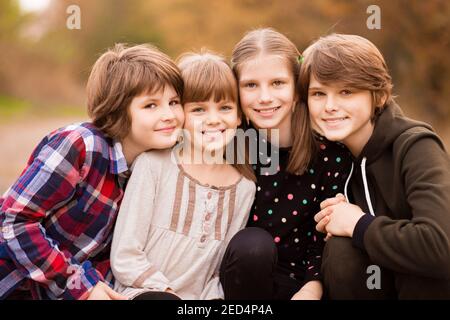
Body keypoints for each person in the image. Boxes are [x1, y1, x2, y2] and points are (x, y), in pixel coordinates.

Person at [0, 43, 184, 300]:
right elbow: (13, 220)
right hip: (16, 285)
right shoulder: (81, 145)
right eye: (150, 105)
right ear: (118, 110)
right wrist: (81, 285)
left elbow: (111, 252)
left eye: (174, 102)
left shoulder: (154, 167)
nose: (169, 115)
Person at [301, 33, 450, 299]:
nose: (330, 106)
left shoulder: (416, 147)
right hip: (377, 286)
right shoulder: (332, 156)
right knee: (339, 251)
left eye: (346, 91)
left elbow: (440, 247)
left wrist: (358, 224)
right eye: (318, 94)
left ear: (379, 96)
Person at [110, 51, 256, 300]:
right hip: (143, 292)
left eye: (225, 108)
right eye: (198, 109)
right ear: (181, 115)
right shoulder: (153, 165)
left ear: (239, 116)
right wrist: (167, 292)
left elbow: (217, 273)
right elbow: (125, 254)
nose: (213, 119)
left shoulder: (244, 187)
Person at [218, 28, 352, 300]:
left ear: (297, 88)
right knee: (253, 245)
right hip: (240, 279)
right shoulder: (229, 145)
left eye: (278, 83)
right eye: (251, 85)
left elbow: (325, 236)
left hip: (306, 283)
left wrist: (313, 285)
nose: (265, 97)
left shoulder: (331, 152)